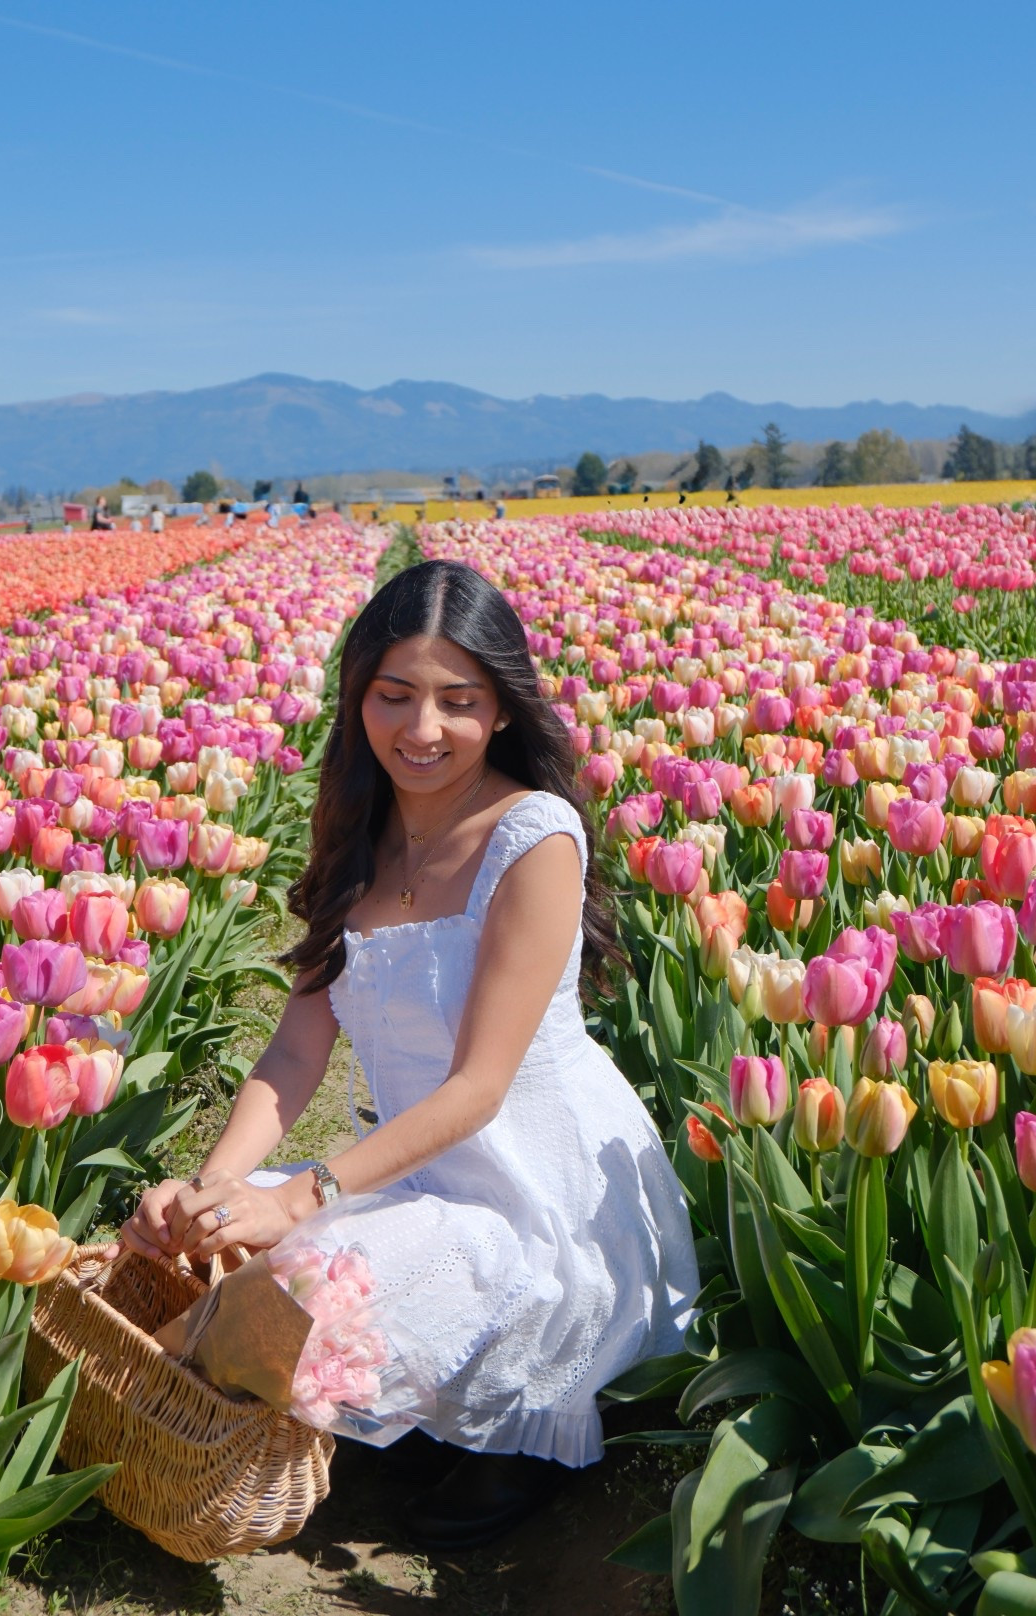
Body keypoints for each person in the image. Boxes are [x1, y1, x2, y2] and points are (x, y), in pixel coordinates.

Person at [123, 559, 697, 1547]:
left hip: (530, 1190)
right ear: (357, 697)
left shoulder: (531, 838)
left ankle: (514, 1427)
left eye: (456, 702)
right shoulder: (359, 826)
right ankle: (414, 1405)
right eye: (394, 695)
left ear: (503, 710)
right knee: (211, 1250)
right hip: (410, 1168)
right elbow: (298, 1048)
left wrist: (300, 1193)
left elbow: (478, 1086)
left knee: (297, 1291)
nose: (420, 729)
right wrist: (213, 1188)